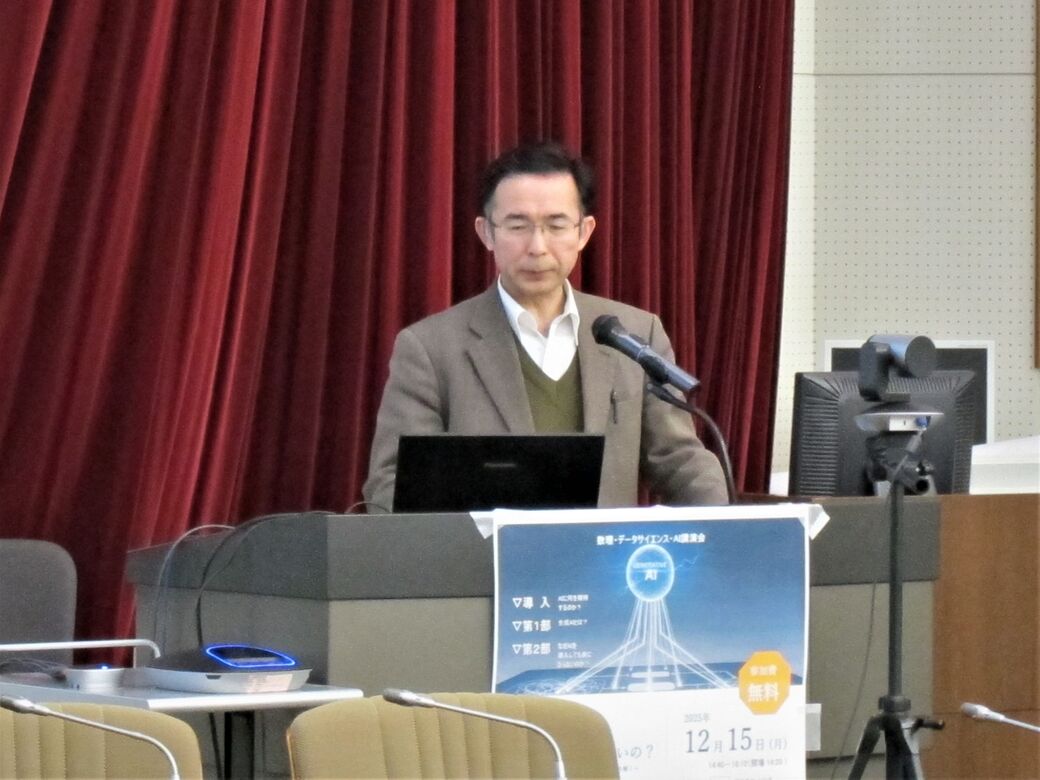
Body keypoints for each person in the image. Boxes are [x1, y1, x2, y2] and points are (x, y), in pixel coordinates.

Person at [363, 141, 728, 511]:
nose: (537, 247)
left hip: (602, 549)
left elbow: (682, 463)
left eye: (556, 225)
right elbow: (392, 484)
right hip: (484, 549)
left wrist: (722, 527)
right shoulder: (430, 348)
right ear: (486, 233)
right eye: (518, 225)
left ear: (584, 232)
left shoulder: (633, 334)